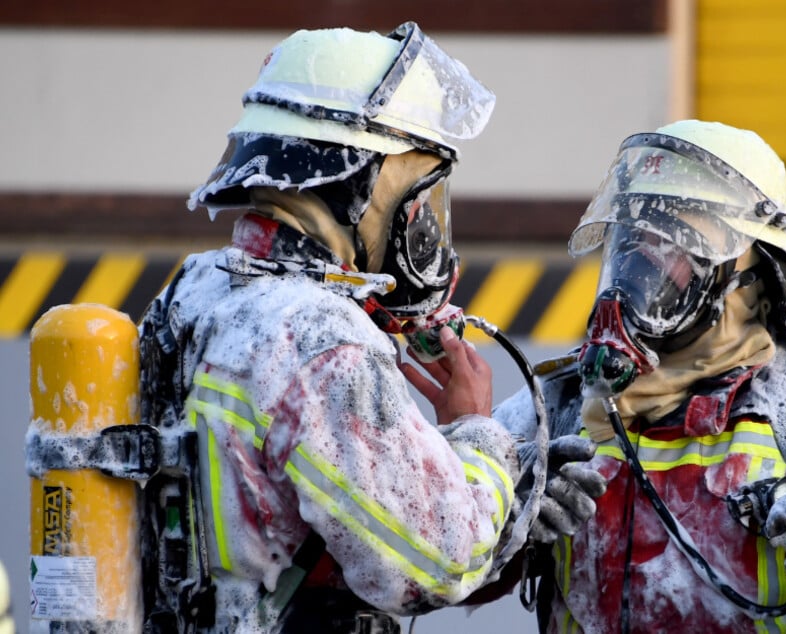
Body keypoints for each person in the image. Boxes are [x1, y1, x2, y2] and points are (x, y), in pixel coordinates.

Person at [492, 119, 786, 632]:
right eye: (632, 243)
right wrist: (507, 511)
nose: (640, 272)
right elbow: (436, 564)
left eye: (674, 247)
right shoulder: (555, 405)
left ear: (748, 273)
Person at [136, 22, 521, 633]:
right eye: (418, 197)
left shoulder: (195, 290)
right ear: (358, 182)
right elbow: (440, 561)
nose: (423, 222)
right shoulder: (320, 338)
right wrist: (478, 436)